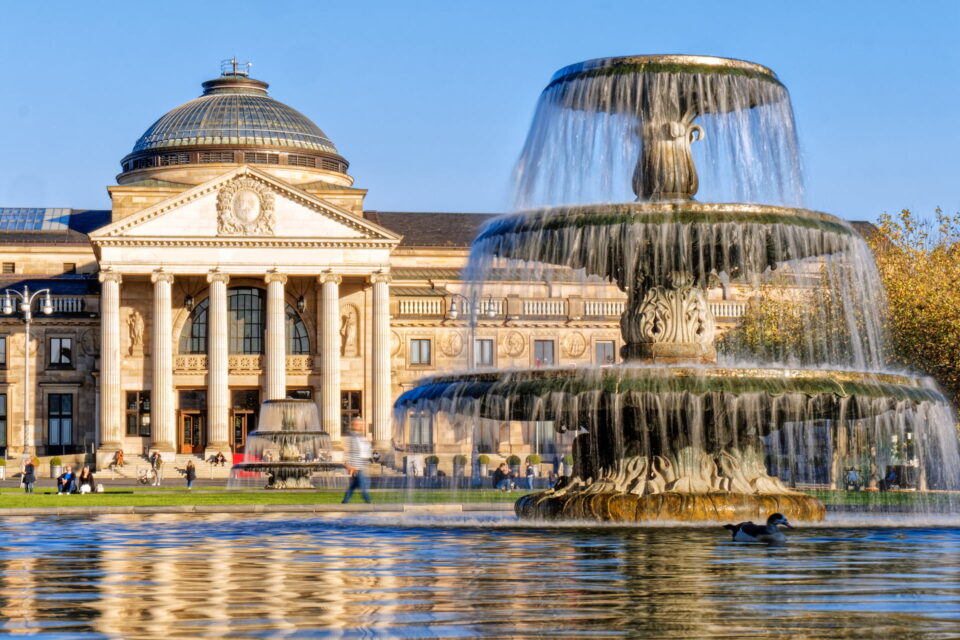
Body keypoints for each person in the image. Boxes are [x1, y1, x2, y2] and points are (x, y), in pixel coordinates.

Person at [342, 417, 372, 504]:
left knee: (353, 486)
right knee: (363, 486)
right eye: (359, 424)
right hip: (355, 467)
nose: (361, 426)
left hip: (361, 466)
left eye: (361, 424)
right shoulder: (351, 437)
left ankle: (345, 501)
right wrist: (348, 465)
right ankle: (368, 502)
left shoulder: (361, 437)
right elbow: (348, 451)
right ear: (355, 425)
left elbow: (364, 451)